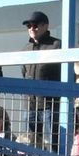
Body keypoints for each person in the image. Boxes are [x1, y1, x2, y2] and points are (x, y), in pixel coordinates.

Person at [22, 11, 61, 147]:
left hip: (51, 105)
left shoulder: (56, 46)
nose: (32, 28)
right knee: (29, 144)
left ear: (46, 26)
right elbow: (24, 73)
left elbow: (67, 75)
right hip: (30, 106)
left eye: (35, 25)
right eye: (29, 26)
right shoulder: (26, 49)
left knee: (54, 144)